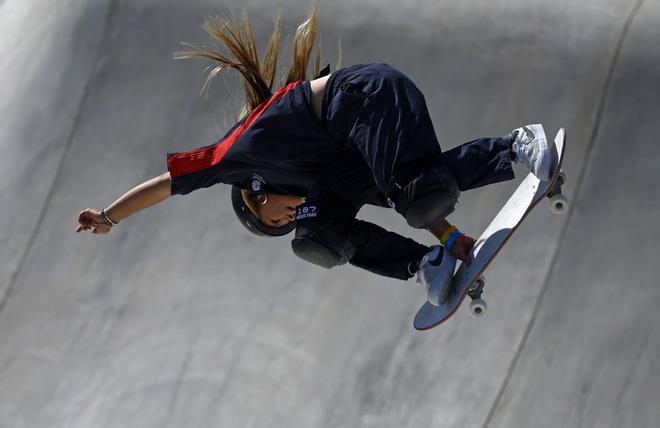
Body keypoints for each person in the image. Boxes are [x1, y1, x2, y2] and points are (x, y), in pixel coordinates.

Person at [75, 9, 555, 305]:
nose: (287, 217)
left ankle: (519, 143)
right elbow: (401, 200)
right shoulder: (321, 182)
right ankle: (423, 265)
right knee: (320, 235)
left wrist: (110, 216)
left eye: (276, 218)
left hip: (363, 97)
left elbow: (166, 184)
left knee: (416, 196)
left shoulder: (232, 159)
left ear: (254, 198)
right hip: (358, 148)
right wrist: (447, 239)